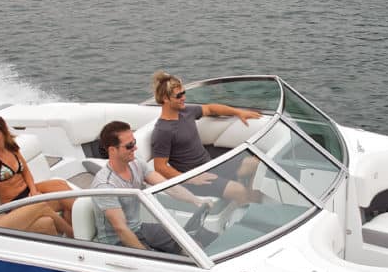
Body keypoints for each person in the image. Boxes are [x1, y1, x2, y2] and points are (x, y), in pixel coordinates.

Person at [92, 120, 209, 254]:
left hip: (138, 228)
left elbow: (169, 187)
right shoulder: (106, 186)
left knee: (190, 243)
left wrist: (196, 200)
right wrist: (147, 256)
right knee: (165, 260)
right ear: (112, 150)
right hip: (116, 241)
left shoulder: (136, 164)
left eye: (134, 142)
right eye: (129, 146)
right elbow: (121, 229)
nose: (135, 148)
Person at [149, 70, 262, 204]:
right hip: (193, 178)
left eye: (184, 93)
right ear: (165, 99)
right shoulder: (163, 131)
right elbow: (160, 167)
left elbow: (210, 109)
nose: (183, 98)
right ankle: (246, 207)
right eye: (178, 96)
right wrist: (190, 178)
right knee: (238, 190)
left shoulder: (185, 112)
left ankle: (252, 202)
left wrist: (238, 112)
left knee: (257, 163)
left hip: (209, 164)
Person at [0, 115, 75, 226]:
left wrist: (33, 191)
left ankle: (76, 224)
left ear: (4, 132)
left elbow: (26, 171)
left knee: (61, 185)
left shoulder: (11, 147)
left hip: (27, 191)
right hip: (14, 203)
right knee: (63, 202)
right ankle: (72, 232)